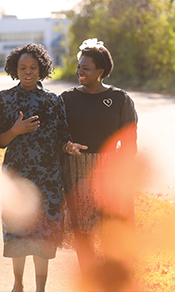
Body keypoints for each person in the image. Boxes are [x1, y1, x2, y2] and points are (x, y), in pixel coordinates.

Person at [0, 43, 87, 292]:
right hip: (16, 177)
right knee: (17, 231)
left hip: (48, 179)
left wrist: (69, 147)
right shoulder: (4, 99)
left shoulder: (52, 101)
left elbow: (62, 138)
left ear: (41, 69)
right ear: (15, 69)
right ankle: (18, 284)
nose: (28, 71)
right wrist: (15, 130)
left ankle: (40, 288)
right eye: (22, 67)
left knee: (43, 234)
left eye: (33, 67)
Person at [61, 38, 138, 286]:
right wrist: (66, 146)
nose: (80, 71)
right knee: (83, 235)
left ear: (101, 72)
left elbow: (129, 142)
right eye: (79, 67)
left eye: (86, 68)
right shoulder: (66, 99)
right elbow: (57, 135)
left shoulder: (119, 99)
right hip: (76, 173)